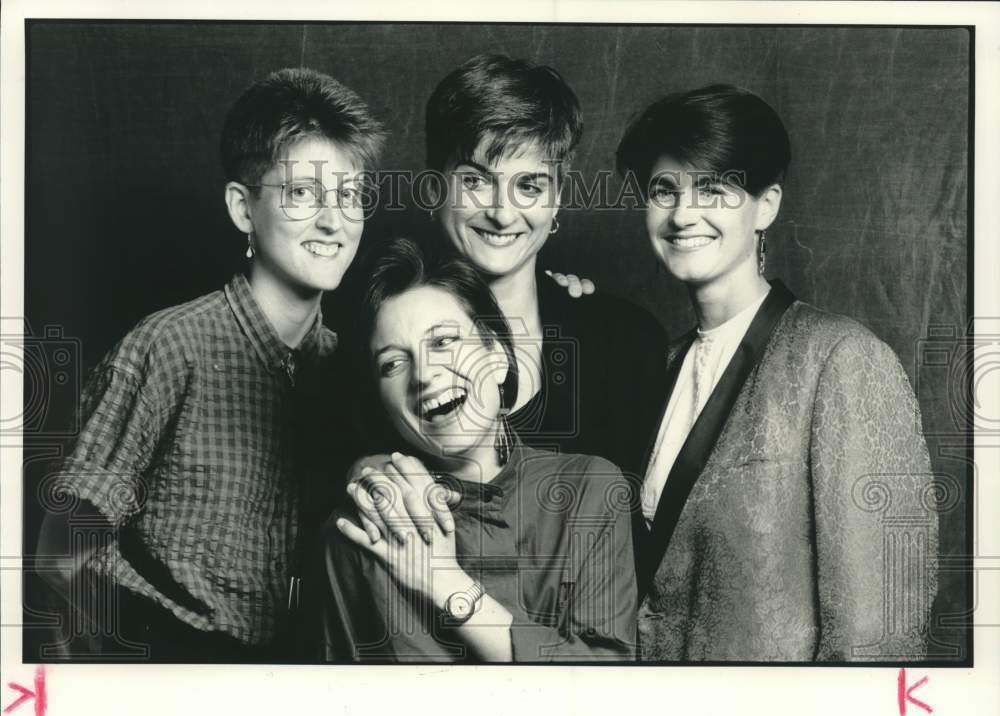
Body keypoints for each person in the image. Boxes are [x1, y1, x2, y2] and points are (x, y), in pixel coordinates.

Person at [34, 68, 386, 661]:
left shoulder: (353, 368)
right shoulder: (170, 345)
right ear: (243, 209)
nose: (334, 221)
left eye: (349, 196)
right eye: (302, 194)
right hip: (166, 662)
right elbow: (58, 555)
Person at [615, 84, 939, 661]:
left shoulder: (842, 359)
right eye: (665, 190)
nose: (684, 213)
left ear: (768, 204)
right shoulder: (657, 364)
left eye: (713, 188)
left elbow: (881, 630)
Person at [319, 238, 638, 662]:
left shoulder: (589, 490)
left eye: (444, 342)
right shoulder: (364, 530)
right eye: (393, 363)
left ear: (499, 355)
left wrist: (448, 585)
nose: (426, 376)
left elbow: (610, 685)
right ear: (380, 401)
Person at [422, 53, 669, 480]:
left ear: (556, 199)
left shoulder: (627, 346)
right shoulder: (377, 346)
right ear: (433, 188)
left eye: (529, 185)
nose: (502, 212)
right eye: (476, 180)